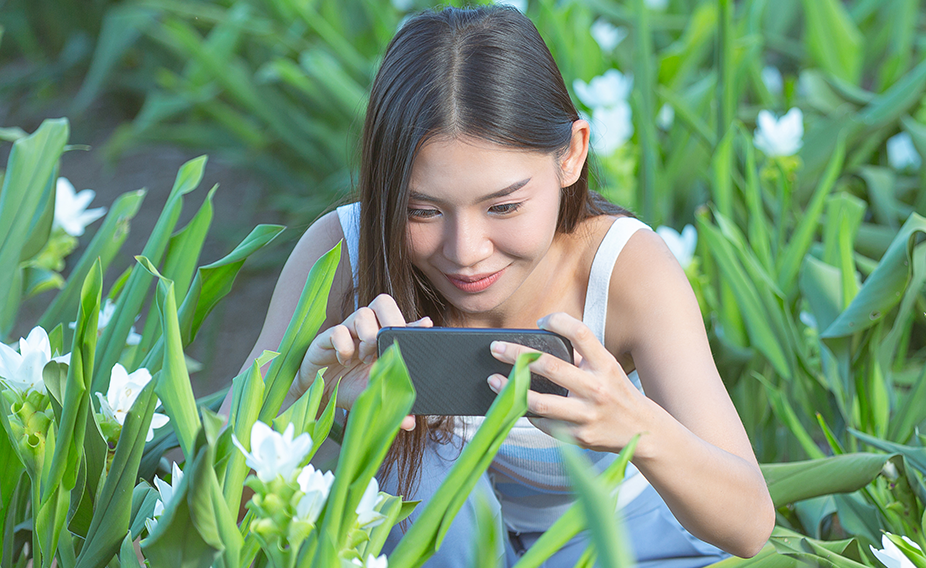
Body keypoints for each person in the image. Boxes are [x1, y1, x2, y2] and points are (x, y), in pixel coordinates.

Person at [232, 6, 773, 566]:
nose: (466, 251)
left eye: (504, 206)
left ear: (572, 154)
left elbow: (750, 525)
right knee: (421, 462)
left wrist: (634, 424)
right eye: (421, 210)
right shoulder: (344, 254)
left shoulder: (622, 268)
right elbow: (214, 513)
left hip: (620, 538)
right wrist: (299, 395)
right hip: (436, 541)